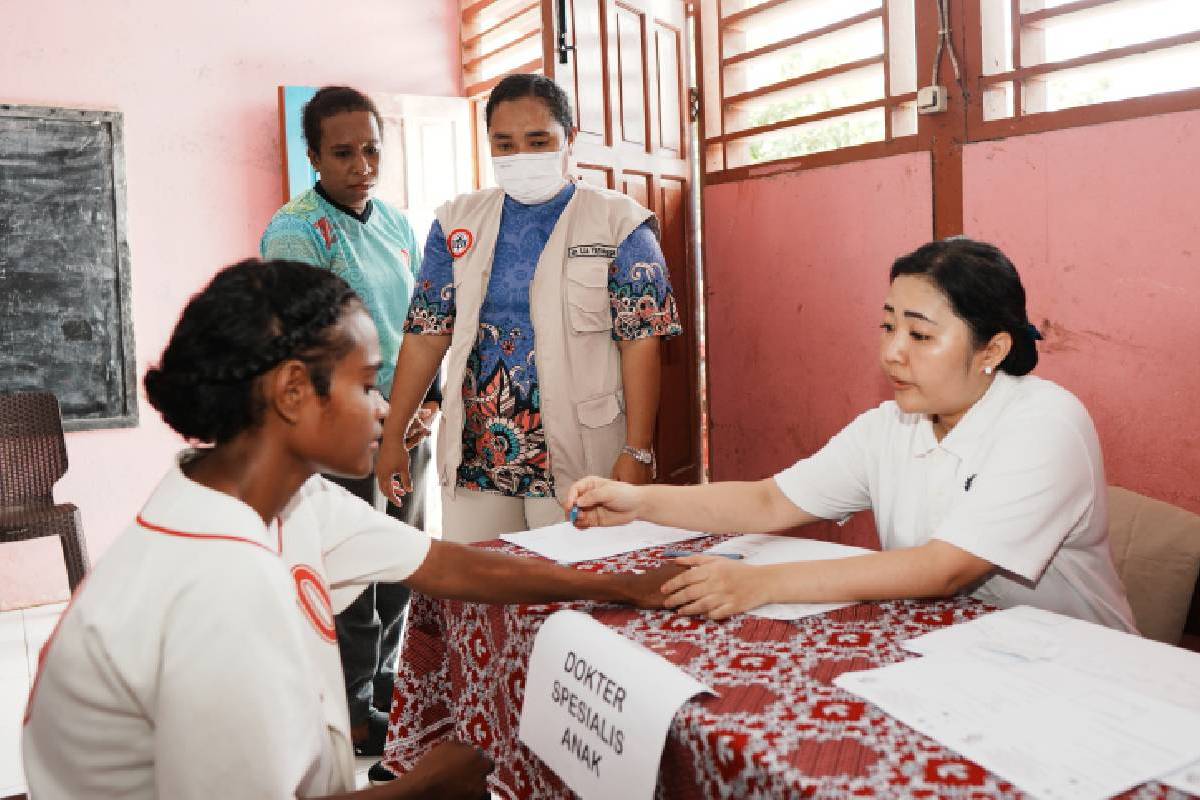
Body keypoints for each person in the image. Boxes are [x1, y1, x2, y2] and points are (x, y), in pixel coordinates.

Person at [22, 259, 678, 800]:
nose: (384, 409)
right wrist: (423, 787)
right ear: (292, 393)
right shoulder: (217, 585)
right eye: (366, 385)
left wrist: (626, 586)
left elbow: (444, 565)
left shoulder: (274, 498)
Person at [566, 238, 1137, 632]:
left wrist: (760, 583)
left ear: (992, 349)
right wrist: (639, 502)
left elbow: (945, 569)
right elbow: (769, 500)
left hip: (1076, 663)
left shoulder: (1045, 423)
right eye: (888, 325)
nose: (892, 351)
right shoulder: (889, 428)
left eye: (920, 335)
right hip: (954, 651)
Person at [375, 73, 681, 541]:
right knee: (483, 592)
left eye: (538, 141)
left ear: (569, 138)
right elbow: (426, 334)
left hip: (579, 455)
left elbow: (642, 343)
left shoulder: (620, 224)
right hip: (477, 458)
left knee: (575, 593)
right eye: (504, 143)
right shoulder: (456, 222)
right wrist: (394, 434)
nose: (521, 156)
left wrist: (638, 451)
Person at [260, 85, 438, 755]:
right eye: (343, 153)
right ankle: (351, 705)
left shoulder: (394, 223)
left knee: (399, 560)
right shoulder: (298, 229)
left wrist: (428, 405)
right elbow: (305, 342)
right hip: (342, 433)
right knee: (349, 576)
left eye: (371, 149)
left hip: (407, 428)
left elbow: (425, 323)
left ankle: (382, 683)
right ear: (312, 156)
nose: (361, 165)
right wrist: (381, 417)